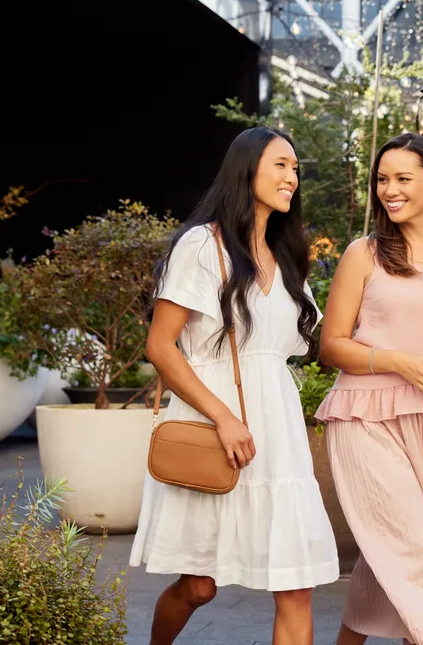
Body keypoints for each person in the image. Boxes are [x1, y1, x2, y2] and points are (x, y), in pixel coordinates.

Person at [130, 126, 339, 645]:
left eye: (296, 169)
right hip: (212, 419)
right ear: (246, 171)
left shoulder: (287, 255)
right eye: (281, 165)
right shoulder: (202, 246)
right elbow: (161, 346)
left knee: (296, 584)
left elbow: (300, 344)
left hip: (277, 428)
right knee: (199, 586)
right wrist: (224, 418)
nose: (293, 177)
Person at [314, 132, 423, 645]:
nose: (388, 190)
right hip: (363, 418)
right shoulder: (363, 253)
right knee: (415, 549)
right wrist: (401, 362)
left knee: (396, 552)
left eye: (402, 179)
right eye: (382, 180)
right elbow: (332, 345)